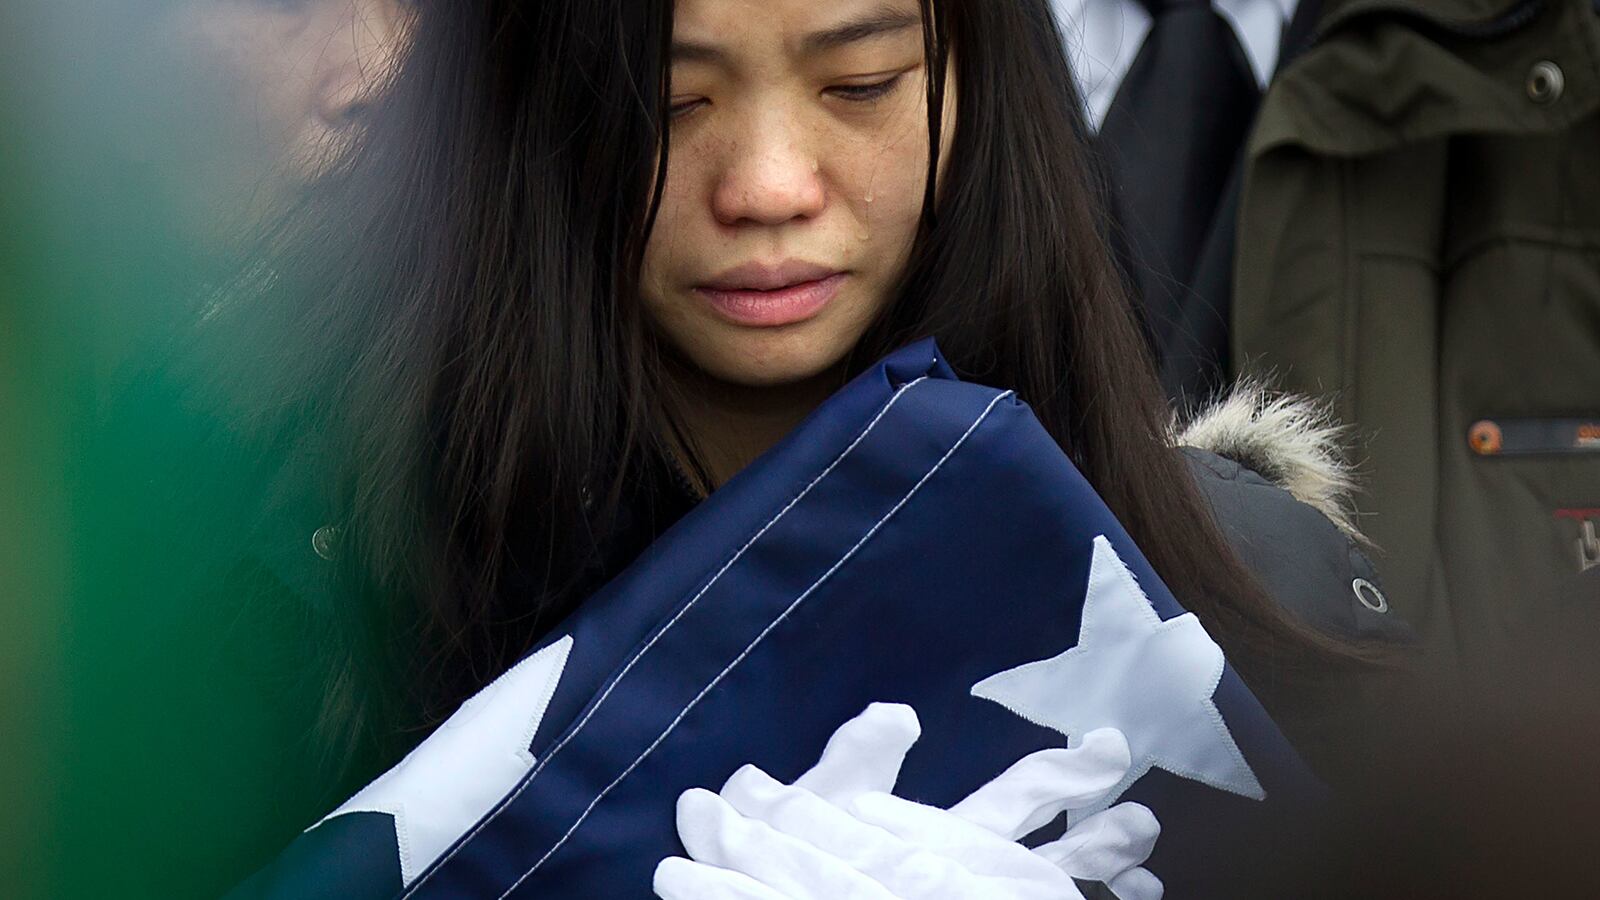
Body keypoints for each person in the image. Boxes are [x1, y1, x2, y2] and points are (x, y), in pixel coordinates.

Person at [182, 0, 1402, 893]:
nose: (767, 185)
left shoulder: (1256, 599)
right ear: (520, 111)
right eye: (669, 100)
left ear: (977, 83)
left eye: (861, 82)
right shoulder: (257, 627)